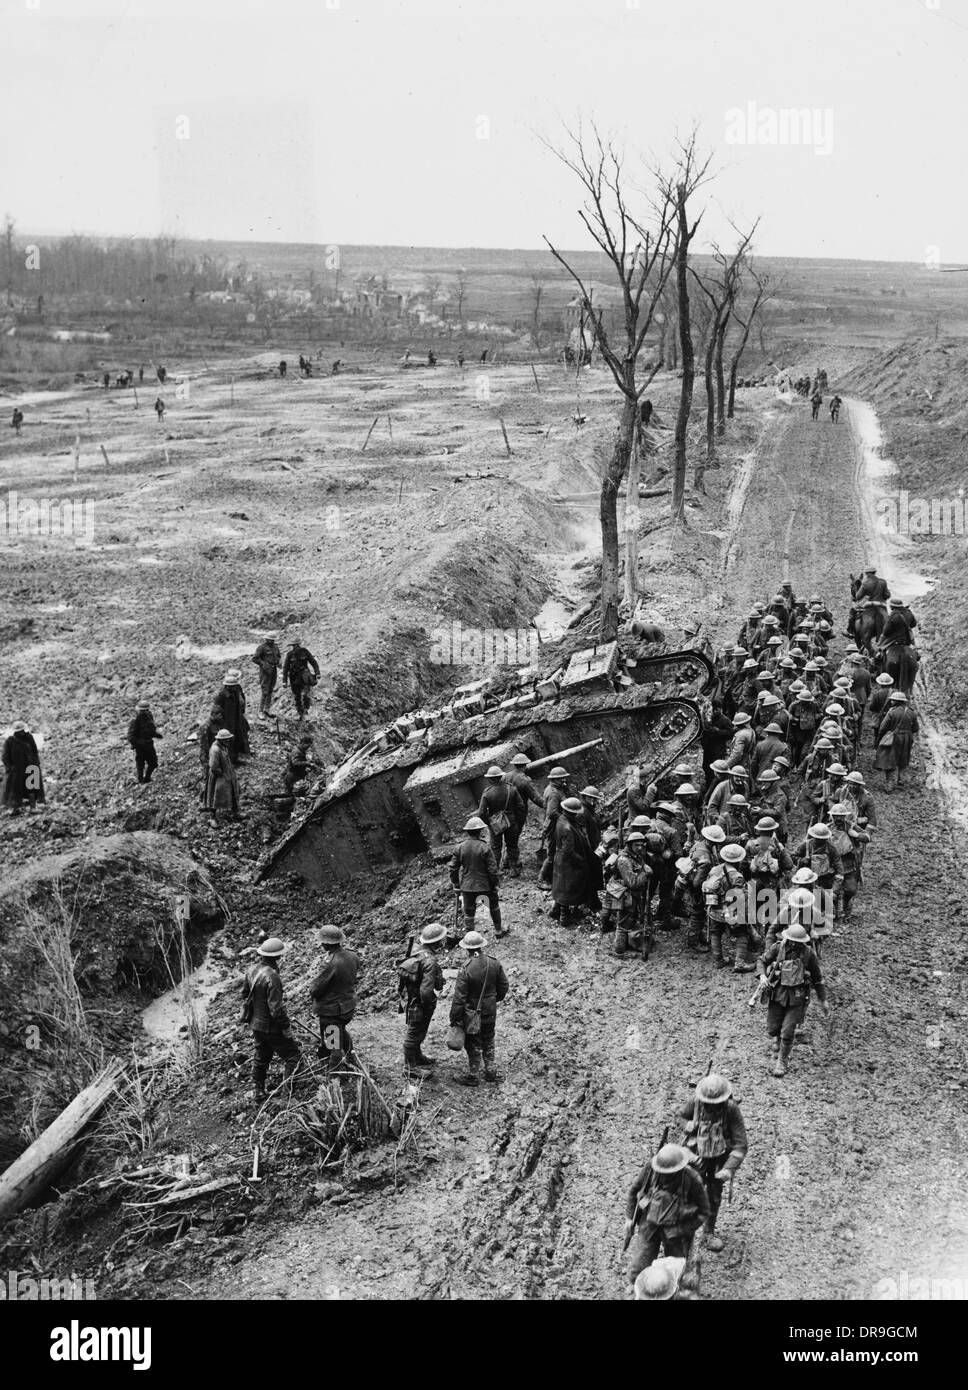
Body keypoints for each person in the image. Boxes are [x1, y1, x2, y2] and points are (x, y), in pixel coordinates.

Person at [680, 1073, 748, 1252]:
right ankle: (684, 1232)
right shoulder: (695, 1102)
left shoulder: (731, 1110)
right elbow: (679, 1116)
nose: (711, 1106)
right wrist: (685, 1124)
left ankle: (708, 1233)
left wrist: (728, 1169)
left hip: (719, 1159)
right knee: (689, 1193)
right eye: (708, 1103)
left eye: (715, 1104)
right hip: (697, 1158)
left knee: (714, 1195)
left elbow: (741, 1145)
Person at [625, 1144, 711, 1285]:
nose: (664, 1175)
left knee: (676, 1273)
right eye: (662, 1171)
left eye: (669, 1173)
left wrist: (681, 1230)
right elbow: (634, 1191)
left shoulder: (692, 1179)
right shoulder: (650, 1168)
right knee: (637, 1271)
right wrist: (629, 1217)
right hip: (649, 1223)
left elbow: (704, 1212)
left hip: (675, 1230)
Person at [757, 923, 829, 1077]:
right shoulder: (778, 948)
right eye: (792, 940)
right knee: (772, 1028)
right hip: (778, 994)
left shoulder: (808, 954)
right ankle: (777, 1039)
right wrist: (763, 976)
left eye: (798, 942)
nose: (794, 944)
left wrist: (823, 1000)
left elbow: (818, 979)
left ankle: (782, 1061)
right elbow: (761, 961)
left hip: (797, 997)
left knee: (788, 1032)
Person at [241, 938, 301, 1103]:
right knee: (293, 1057)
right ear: (278, 957)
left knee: (261, 1056)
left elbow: (245, 994)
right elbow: (276, 1010)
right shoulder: (273, 977)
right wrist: (286, 1028)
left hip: (256, 1024)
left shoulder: (251, 970)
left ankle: (258, 1091)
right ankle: (287, 1096)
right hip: (272, 1027)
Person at [449, 930, 509, 1086]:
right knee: (488, 1038)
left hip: (472, 1012)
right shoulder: (493, 962)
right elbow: (504, 986)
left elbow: (459, 998)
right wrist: (493, 1000)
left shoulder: (466, 968)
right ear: (481, 945)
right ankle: (490, 1071)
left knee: (473, 1042)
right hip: (490, 1010)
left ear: (467, 949)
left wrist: (455, 1017)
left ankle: (473, 1075)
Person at [399, 921, 447, 1076]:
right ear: (437, 942)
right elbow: (426, 991)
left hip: (412, 998)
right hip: (420, 1002)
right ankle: (409, 1067)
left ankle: (417, 1057)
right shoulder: (430, 961)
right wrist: (429, 1004)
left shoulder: (418, 952)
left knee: (418, 1030)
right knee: (414, 1033)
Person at [309, 924, 360, 1062]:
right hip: (348, 1007)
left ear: (326, 943)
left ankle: (334, 1077)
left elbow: (315, 989)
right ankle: (351, 1057)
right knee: (340, 1031)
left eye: (322, 942)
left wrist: (314, 992)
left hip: (332, 1012)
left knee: (333, 1046)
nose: (321, 945)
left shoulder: (330, 963)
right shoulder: (352, 955)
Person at [450, 815, 503, 937]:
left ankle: (470, 938)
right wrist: (495, 884)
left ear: (468, 831)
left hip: (467, 887)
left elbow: (453, 868)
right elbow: (493, 870)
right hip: (485, 886)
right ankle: (498, 931)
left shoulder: (459, 847)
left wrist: (456, 884)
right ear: (480, 831)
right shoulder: (485, 847)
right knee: (493, 906)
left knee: (469, 912)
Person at [607, 831, 654, 959]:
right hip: (626, 895)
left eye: (641, 845)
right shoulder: (624, 860)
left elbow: (641, 866)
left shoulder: (636, 855)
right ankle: (619, 952)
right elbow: (632, 883)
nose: (640, 847)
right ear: (630, 844)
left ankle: (628, 944)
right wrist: (646, 874)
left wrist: (644, 867)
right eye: (637, 845)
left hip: (634, 896)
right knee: (623, 925)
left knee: (631, 921)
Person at [550, 797, 594, 926]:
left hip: (560, 859)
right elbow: (568, 851)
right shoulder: (567, 828)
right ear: (572, 812)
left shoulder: (561, 819)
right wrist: (581, 861)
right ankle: (564, 916)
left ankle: (555, 910)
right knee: (567, 889)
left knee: (560, 886)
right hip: (568, 863)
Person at [476, 765, 524, 876]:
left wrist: (489, 823)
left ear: (490, 779)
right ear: (501, 776)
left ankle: (495, 871)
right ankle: (513, 869)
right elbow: (521, 806)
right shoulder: (511, 788)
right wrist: (518, 821)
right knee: (512, 845)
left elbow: (481, 812)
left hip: (495, 824)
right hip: (511, 822)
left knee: (495, 847)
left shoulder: (487, 793)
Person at [874, 691, 919, 790]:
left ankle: (889, 784)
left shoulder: (892, 711)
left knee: (890, 759)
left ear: (897, 701)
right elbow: (916, 728)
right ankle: (901, 780)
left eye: (893, 700)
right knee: (904, 758)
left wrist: (880, 738)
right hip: (907, 738)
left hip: (895, 737)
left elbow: (883, 727)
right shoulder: (912, 712)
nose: (891, 701)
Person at [2, 720, 45, 814]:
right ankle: (15, 808)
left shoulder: (29, 738)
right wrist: (10, 768)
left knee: (32, 787)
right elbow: (5, 756)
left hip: (30, 766)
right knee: (15, 790)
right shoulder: (10, 741)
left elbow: (34, 752)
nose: (21, 732)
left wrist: (36, 764)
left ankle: (33, 807)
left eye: (22, 730)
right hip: (17, 770)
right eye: (19, 731)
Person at [539, 766, 570, 884]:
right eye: (561, 778)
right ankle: (541, 879)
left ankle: (551, 877)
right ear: (554, 779)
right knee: (552, 853)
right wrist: (565, 819)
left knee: (555, 851)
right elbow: (551, 813)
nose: (563, 780)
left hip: (555, 824)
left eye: (564, 778)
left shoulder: (554, 789)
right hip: (554, 826)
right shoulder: (554, 793)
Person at [205, 729, 241, 823]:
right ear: (220, 740)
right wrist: (221, 774)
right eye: (226, 740)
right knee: (214, 796)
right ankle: (212, 817)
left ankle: (235, 812)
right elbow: (213, 766)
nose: (228, 741)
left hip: (227, 774)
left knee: (233, 791)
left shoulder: (224, 746)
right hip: (218, 777)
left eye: (229, 739)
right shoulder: (215, 749)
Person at [215, 669, 250, 762]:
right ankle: (231, 759)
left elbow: (242, 700)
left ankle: (241, 754)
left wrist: (241, 713)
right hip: (227, 721)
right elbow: (216, 711)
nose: (235, 687)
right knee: (229, 740)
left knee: (241, 734)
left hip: (237, 717)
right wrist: (222, 723)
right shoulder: (221, 695)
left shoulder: (237, 689)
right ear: (228, 686)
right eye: (233, 686)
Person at [282, 635, 321, 720]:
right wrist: (284, 681)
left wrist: (317, 673)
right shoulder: (289, 655)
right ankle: (299, 712)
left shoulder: (305, 652)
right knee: (297, 696)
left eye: (296, 645)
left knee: (305, 694)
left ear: (298, 645)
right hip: (294, 678)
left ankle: (306, 711)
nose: (296, 647)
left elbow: (313, 662)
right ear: (292, 646)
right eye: (294, 646)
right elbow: (285, 668)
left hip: (304, 676)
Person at [127, 699, 161, 784]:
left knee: (153, 763)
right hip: (140, 746)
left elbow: (150, 729)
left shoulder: (149, 717)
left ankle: (147, 778)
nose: (144, 712)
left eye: (146, 710)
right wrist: (137, 743)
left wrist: (156, 735)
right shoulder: (135, 720)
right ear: (139, 710)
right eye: (142, 711)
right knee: (140, 764)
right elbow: (131, 736)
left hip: (149, 744)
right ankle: (141, 781)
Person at [252, 633, 282, 718]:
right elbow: (255, 658)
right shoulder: (262, 647)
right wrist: (264, 664)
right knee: (265, 691)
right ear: (266, 639)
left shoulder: (275, 647)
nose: (272, 641)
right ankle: (260, 711)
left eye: (273, 640)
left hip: (273, 670)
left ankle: (267, 709)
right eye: (270, 639)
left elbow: (279, 656)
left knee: (270, 690)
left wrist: (279, 662)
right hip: (265, 671)